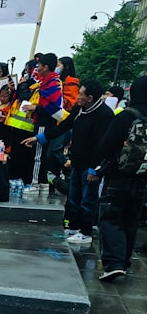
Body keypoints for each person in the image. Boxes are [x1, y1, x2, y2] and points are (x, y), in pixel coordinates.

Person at [24, 79, 113, 244]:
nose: (77, 97)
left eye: (81, 94)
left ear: (90, 98)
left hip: (91, 165)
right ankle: (73, 227)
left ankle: (85, 232)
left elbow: (103, 146)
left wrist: (95, 169)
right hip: (77, 161)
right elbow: (63, 126)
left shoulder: (104, 115)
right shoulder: (80, 109)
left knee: (87, 200)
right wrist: (40, 138)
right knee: (73, 198)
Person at [87, 75, 147, 280]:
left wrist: (97, 169)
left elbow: (105, 146)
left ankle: (113, 263)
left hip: (118, 177)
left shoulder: (125, 115)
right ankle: (124, 262)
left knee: (111, 218)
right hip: (141, 179)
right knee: (131, 220)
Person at [20, 52, 67, 189]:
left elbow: (53, 107)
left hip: (45, 123)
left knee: (38, 156)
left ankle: (36, 184)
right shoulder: (46, 82)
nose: (37, 68)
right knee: (38, 154)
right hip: (40, 121)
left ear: (45, 67)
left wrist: (35, 108)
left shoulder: (53, 83)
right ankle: (41, 183)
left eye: (39, 65)